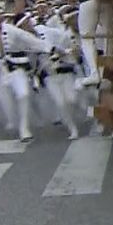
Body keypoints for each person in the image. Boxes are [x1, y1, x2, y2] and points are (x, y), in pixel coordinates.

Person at [0, 12, 51, 142]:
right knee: (8, 106)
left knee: (23, 94)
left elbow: (30, 40)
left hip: (17, 69)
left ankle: (24, 128)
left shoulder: (12, 31)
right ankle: (15, 122)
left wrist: (50, 48)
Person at [36, 9, 81, 140]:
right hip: (49, 76)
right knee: (61, 103)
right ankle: (72, 128)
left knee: (71, 100)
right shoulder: (24, 44)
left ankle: (73, 118)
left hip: (65, 72)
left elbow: (71, 51)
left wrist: (64, 53)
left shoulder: (58, 34)